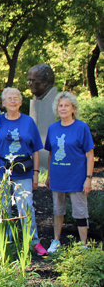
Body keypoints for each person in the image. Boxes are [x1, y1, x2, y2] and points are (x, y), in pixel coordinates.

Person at [0, 87, 47, 256]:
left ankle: (32, 242)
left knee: (26, 207)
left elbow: (36, 149)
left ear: (21, 101)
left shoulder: (28, 121)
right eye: (9, 98)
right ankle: (6, 243)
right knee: (3, 208)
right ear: (3, 103)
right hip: (1, 172)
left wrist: (36, 174)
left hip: (23, 172)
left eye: (16, 98)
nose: (12, 101)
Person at [45, 91, 94, 252]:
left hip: (77, 178)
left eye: (67, 105)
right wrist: (49, 176)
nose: (63, 108)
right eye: (60, 105)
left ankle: (83, 245)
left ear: (73, 108)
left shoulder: (82, 127)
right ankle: (56, 241)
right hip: (58, 178)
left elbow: (90, 155)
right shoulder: (53, 128)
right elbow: (51, 153)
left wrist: (88, 178)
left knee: (80, 212)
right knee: (58, 210)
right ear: (56, 108)